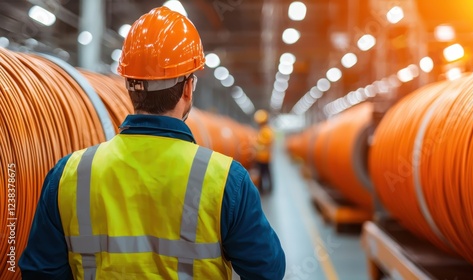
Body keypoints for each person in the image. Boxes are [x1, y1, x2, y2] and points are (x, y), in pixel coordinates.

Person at [19, 6, 285, 280]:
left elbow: (40, 272)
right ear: (188, 88)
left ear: (128, 86)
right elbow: (268, 270)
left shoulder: (69, 175)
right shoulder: (227, 180)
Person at [253, 109, 275, 193]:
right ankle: (266, 188)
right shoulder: (264, 130)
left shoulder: (266, 131)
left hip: (263, 156)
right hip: (263, 156)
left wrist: (256, 145)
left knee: (264, 173)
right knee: (266, 173)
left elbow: (264, 143)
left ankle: (265, 189)